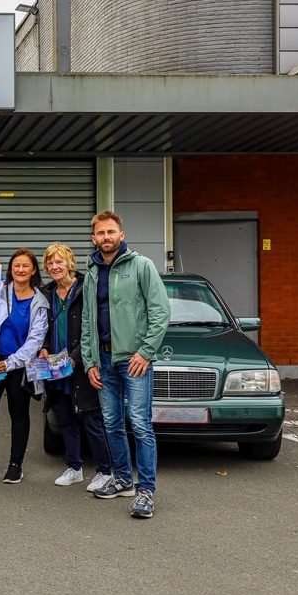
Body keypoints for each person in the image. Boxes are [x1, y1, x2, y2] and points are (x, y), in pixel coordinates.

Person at [80, 211, 170, 519]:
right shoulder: (92, 272)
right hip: (103, 360)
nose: (106, 237)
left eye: (111, 232)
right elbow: (87, 320)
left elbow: (160, 313)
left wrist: (145, 352)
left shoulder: (141, 266)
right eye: (100, 233)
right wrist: (89, 360)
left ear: (121, 234)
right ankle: (122, 480)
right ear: (94, 238)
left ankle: (146, 491)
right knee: (112, 423)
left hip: (134, 361)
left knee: (140, 424)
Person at [0, 248, 48, 484]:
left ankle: (16, 465)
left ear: (33, 270)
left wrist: (10, 363)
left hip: (19, 366)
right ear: (10, 269)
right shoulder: (0, 290)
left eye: (25, 266)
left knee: (19, 414)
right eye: (16, 266)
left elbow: (35, 340)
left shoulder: (39, 302)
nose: (20, 270)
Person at [37, 242, 112, 493]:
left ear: (70, 263)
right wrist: (44, 348)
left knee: (91, 419)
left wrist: (76, 357)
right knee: (65, 418)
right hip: (55, 369)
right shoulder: (46, 293)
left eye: (59, 261)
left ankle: (104, 471)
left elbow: (94, 328)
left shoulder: (85, 288)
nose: (54, 266)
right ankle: (74, 468)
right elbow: (43, 328)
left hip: (81, 366)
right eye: (50, 262)